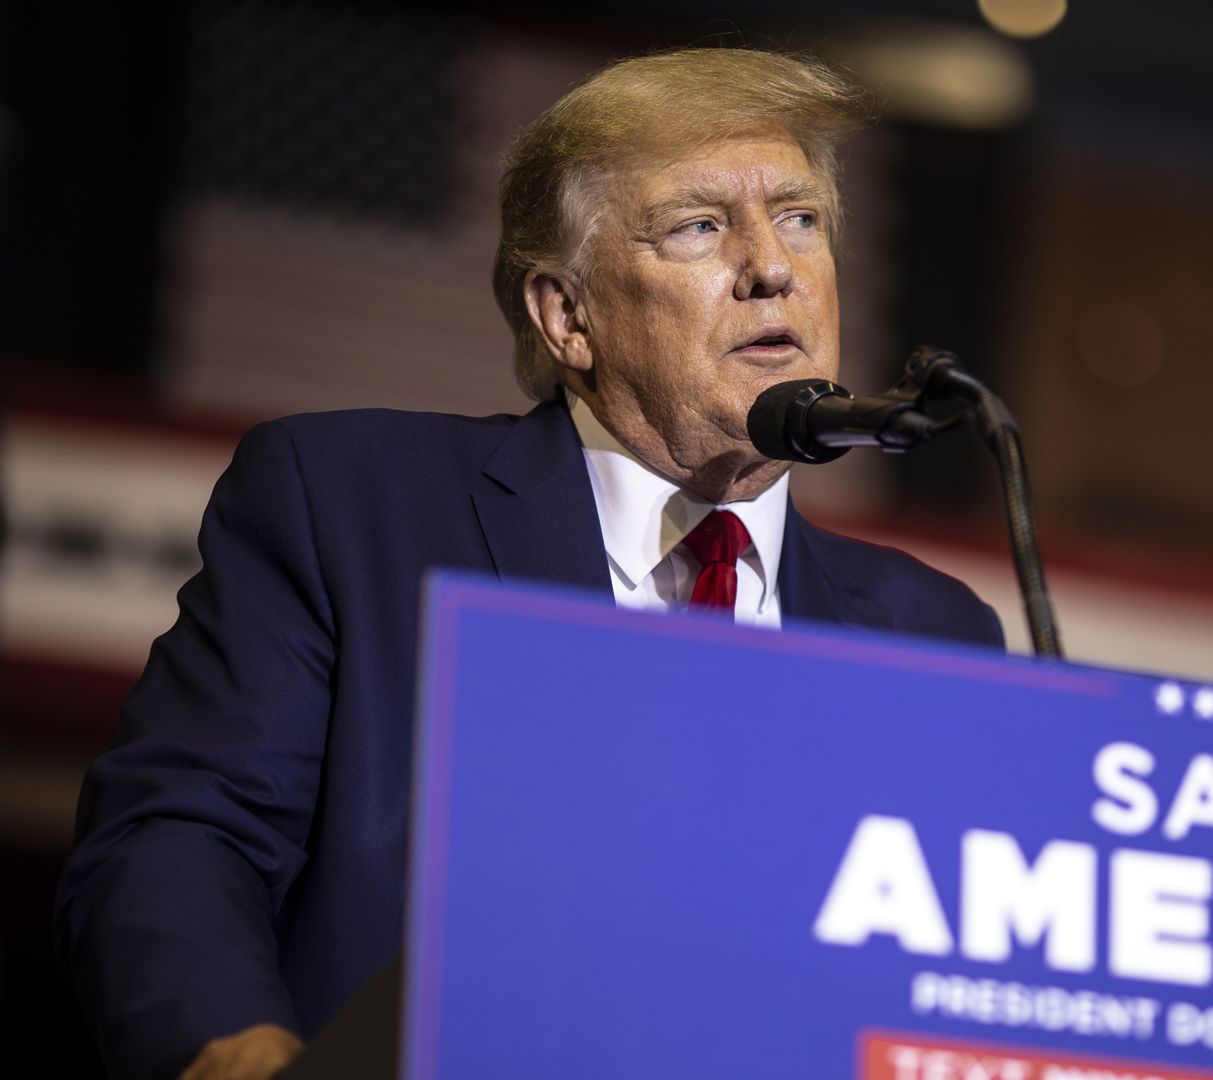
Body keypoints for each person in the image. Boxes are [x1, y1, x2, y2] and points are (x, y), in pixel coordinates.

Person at [55, 48, 1003, 1080]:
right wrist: (245, 1058)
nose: (772, 265)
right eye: (699, 225)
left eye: (800, 217)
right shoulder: (355, 505)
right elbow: (182, 839)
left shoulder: (934, 636)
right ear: (568, 316)